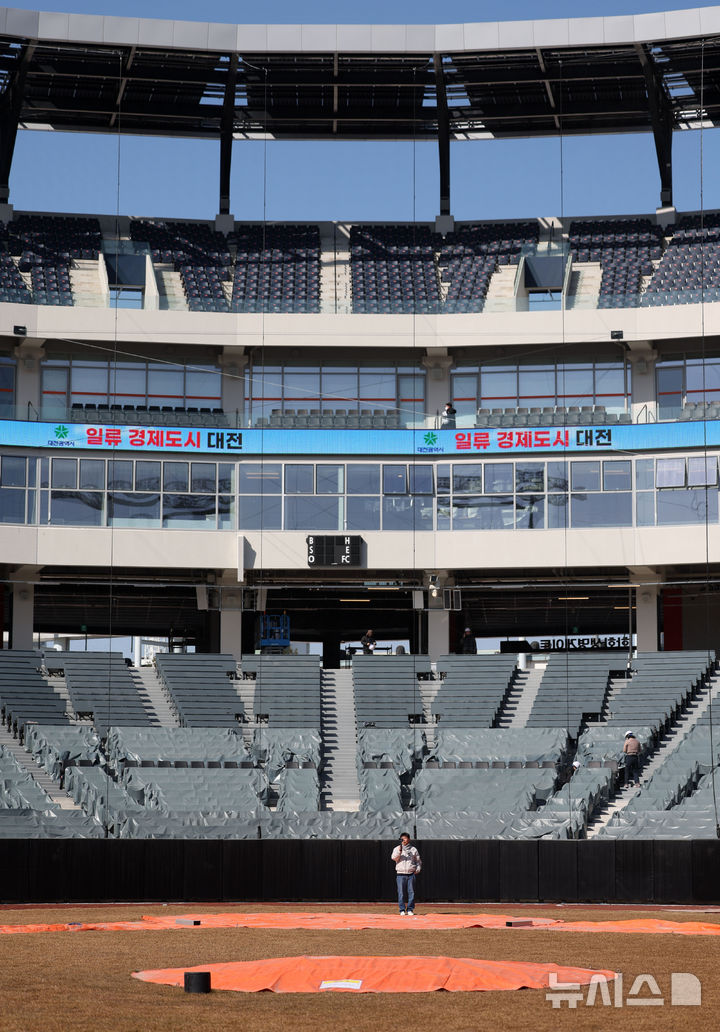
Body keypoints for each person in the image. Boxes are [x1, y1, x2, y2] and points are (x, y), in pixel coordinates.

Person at [391, 832, 421, 915]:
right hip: (400, 874)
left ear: (409, 839)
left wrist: (418, 869)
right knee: (401, 893)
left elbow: (418, 861)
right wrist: (400, 851)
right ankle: (402, 910)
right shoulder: (397, 848)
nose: (403, 840)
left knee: (411, 892)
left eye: (405, 838)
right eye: (402, 838)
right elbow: (394, 858)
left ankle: (410, 909)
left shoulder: (413, 849)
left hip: (411, 874)